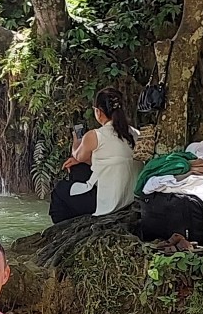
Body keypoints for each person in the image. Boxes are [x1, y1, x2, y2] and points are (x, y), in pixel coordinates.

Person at [49, 88, 138, 224]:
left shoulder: (95, 135)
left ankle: (62, 229)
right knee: (78, 168)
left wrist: (76, 142)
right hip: (129, 198)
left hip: (107, 203)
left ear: (98, 111)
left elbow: (77, 155)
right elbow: (112, 160)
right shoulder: (135, 133)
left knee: (59, 190)